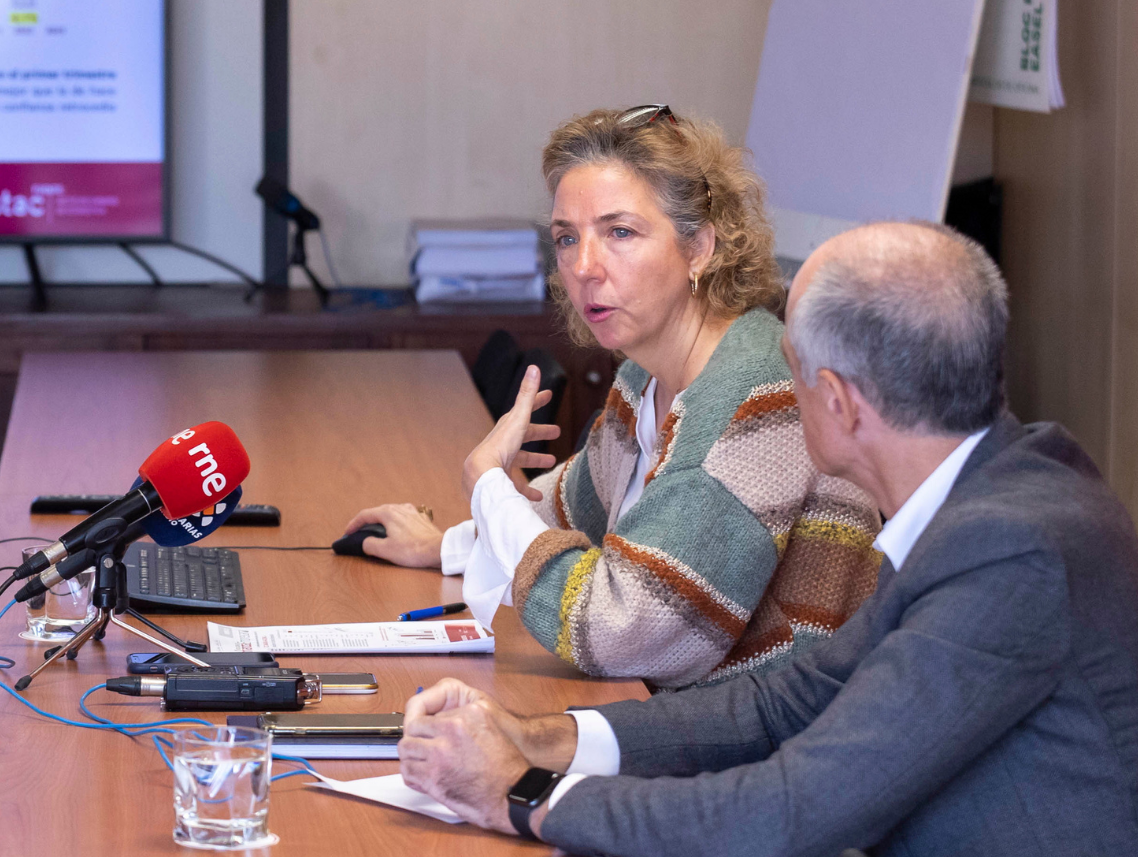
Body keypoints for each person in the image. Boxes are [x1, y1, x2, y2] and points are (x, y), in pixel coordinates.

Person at [396, 221, 1138, 855]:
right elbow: (779, 707)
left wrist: (518, 795)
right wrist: (540, 738)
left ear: (840, 404)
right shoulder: (993, 491)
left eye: (795, 373)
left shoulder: (1008, 552)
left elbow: (793, 810)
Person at [346, 106, 880, 687]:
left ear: (699, 247)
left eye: (619, 232)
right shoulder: (644, 376)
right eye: (566, 238)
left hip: (766, 749)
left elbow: (625, 634)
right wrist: (449, 545)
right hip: (672, 716)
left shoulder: (760, 399)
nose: (583, 267)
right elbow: (577, 509)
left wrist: (488, 489)